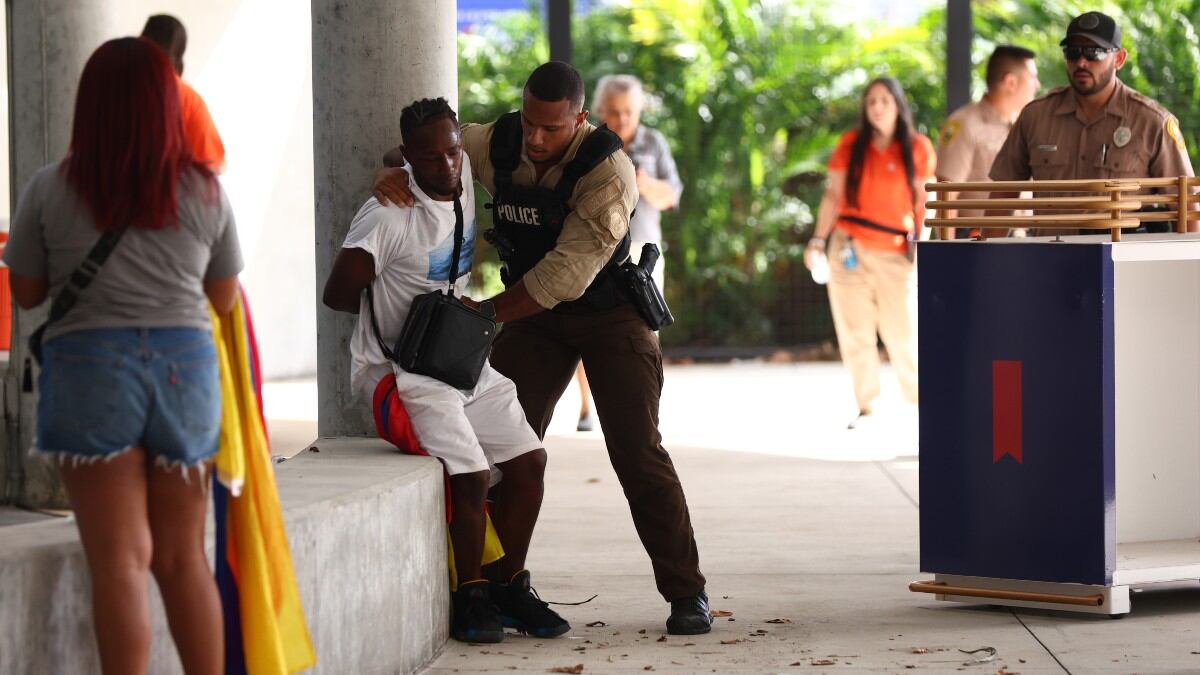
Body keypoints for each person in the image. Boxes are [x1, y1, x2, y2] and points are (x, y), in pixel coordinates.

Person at [372, 62, 713, 636]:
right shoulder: (498, 141)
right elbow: (428, 151)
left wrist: (481, 316)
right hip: (535, 320)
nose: (534, 137)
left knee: (637, 452)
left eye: (549, 128)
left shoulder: (609, 170)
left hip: (607, 314)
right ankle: (498, 585)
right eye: (529, 121)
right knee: (500, 447)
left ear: (579, 120)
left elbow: (566, 275)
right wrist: (396, 172)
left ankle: (687, 593)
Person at [4, 37, 242, 674]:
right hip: (185, 369)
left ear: (91, 105)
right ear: (169, 103)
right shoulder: (206, 191)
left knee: (120, 560)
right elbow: (222, 299)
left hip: (88, 366)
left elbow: (25, 292)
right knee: (184, 557)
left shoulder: (49, 187)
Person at [322, 98, 568, 644]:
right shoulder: (388, 213)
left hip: (456, 355)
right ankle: (470, 595)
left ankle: (509, 587)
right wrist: (395, 311)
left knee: (529, 462)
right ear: (409, 160)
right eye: (429, 159)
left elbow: (432, 155)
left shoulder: (463, 185)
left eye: (453, 152)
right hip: (400, 371)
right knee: (473, 472)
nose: (447, 166)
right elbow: (337, 293)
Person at [803, 77, 935, 429]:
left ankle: (924, 405)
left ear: (897, 105)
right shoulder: (850, 145)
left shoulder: (918, 146)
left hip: (895, 250)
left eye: (884, 100)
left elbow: (925, 202)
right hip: (849, 246)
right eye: (871, 101)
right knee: (855, 331)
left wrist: (924, 243)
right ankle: (868, 406)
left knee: (903, 332)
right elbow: (833, 196)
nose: (877, 107)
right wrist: (817, 240)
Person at [989, 11, 1195, 230]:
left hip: (1120, 260)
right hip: (1051, 255)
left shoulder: (1152, 122)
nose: (1082, 62)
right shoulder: (1035, 116)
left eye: (1094, 52)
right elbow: (1002, 196)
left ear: (1119, 58)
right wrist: (987, 259)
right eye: (1073, 52)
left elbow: (1188, 206)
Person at [569, 74, 685, 433]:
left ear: (639, 110)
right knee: (587, 326)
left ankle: (646, 411)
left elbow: (672, 196)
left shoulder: (654, 142)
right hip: (595, 247)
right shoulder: (588, 141)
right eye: (614, 112)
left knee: (644, 333)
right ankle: (588, 408)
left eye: (629, 112)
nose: (621, 119)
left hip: (641, 252)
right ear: (602, 110)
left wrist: (643, 183)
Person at [936, 45, 1039, 235]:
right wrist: (947, 255)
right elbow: (945, 197)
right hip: (978, 242)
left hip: (1024, 240)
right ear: (1010, 82)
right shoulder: (964, 123)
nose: (1037, 85)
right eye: (1032, 77)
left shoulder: (1022, 125)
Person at [141, 14, 226, 172]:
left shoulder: (115, 86)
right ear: (178, 55)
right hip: (166, 193)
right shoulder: (189, 100)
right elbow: (215, 166)